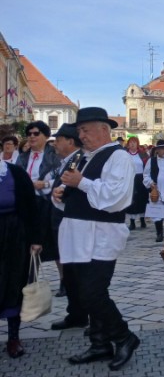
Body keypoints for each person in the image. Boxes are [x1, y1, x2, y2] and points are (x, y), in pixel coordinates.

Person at [52, 107, 139, 370]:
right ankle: (100, 343)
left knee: (93, 293)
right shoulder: (81, 157)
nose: (81, 135)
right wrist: (60, 194)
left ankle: (124, 336)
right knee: (81, 291)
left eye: (85, 130)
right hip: (77, 233)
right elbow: (75, 194)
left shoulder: (118, 157)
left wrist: (82, 184)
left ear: (104, 129)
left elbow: (117, 197)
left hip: (101, 234)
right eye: (79, 131)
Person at [0, 159, 42, 357]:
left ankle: (13, 338)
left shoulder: (15, 172)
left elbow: (31, 206)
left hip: (15, 234)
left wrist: (35, 239)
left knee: (14, 283)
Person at [49, 124, 87, 325]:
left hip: (70, 222)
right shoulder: (68, 160)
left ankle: (79, 314)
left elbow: (72, 190)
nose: (55, 143)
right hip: (62, 221)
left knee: (74, 273)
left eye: (58, 139)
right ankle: (76, 313)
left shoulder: (78, 160)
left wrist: (59, 193)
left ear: (70, 141)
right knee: (70, 273)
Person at [16, 121, 60, 263]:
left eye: (36, 133)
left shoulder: (54, 155)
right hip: (26, 203)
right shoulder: (22, 156)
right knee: (27, 245)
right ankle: (29, 279)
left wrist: (45, 184)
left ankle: (64, 281)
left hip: (47, 203)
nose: (32, 137)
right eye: (29, 134)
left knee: (54, 246)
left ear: (46, 136)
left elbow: (63, 178)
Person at [124, 137, 148, 231]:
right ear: (128, 144)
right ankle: (132, 222)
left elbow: (147, 167)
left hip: (141, 179)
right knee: (131, 200)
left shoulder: (143, 154)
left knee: (142, 200)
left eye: (134, 142)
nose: (133, 144)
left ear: (137, 144)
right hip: (129, 179)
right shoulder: (124, 155)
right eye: (131, 142)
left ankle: (142, 220)